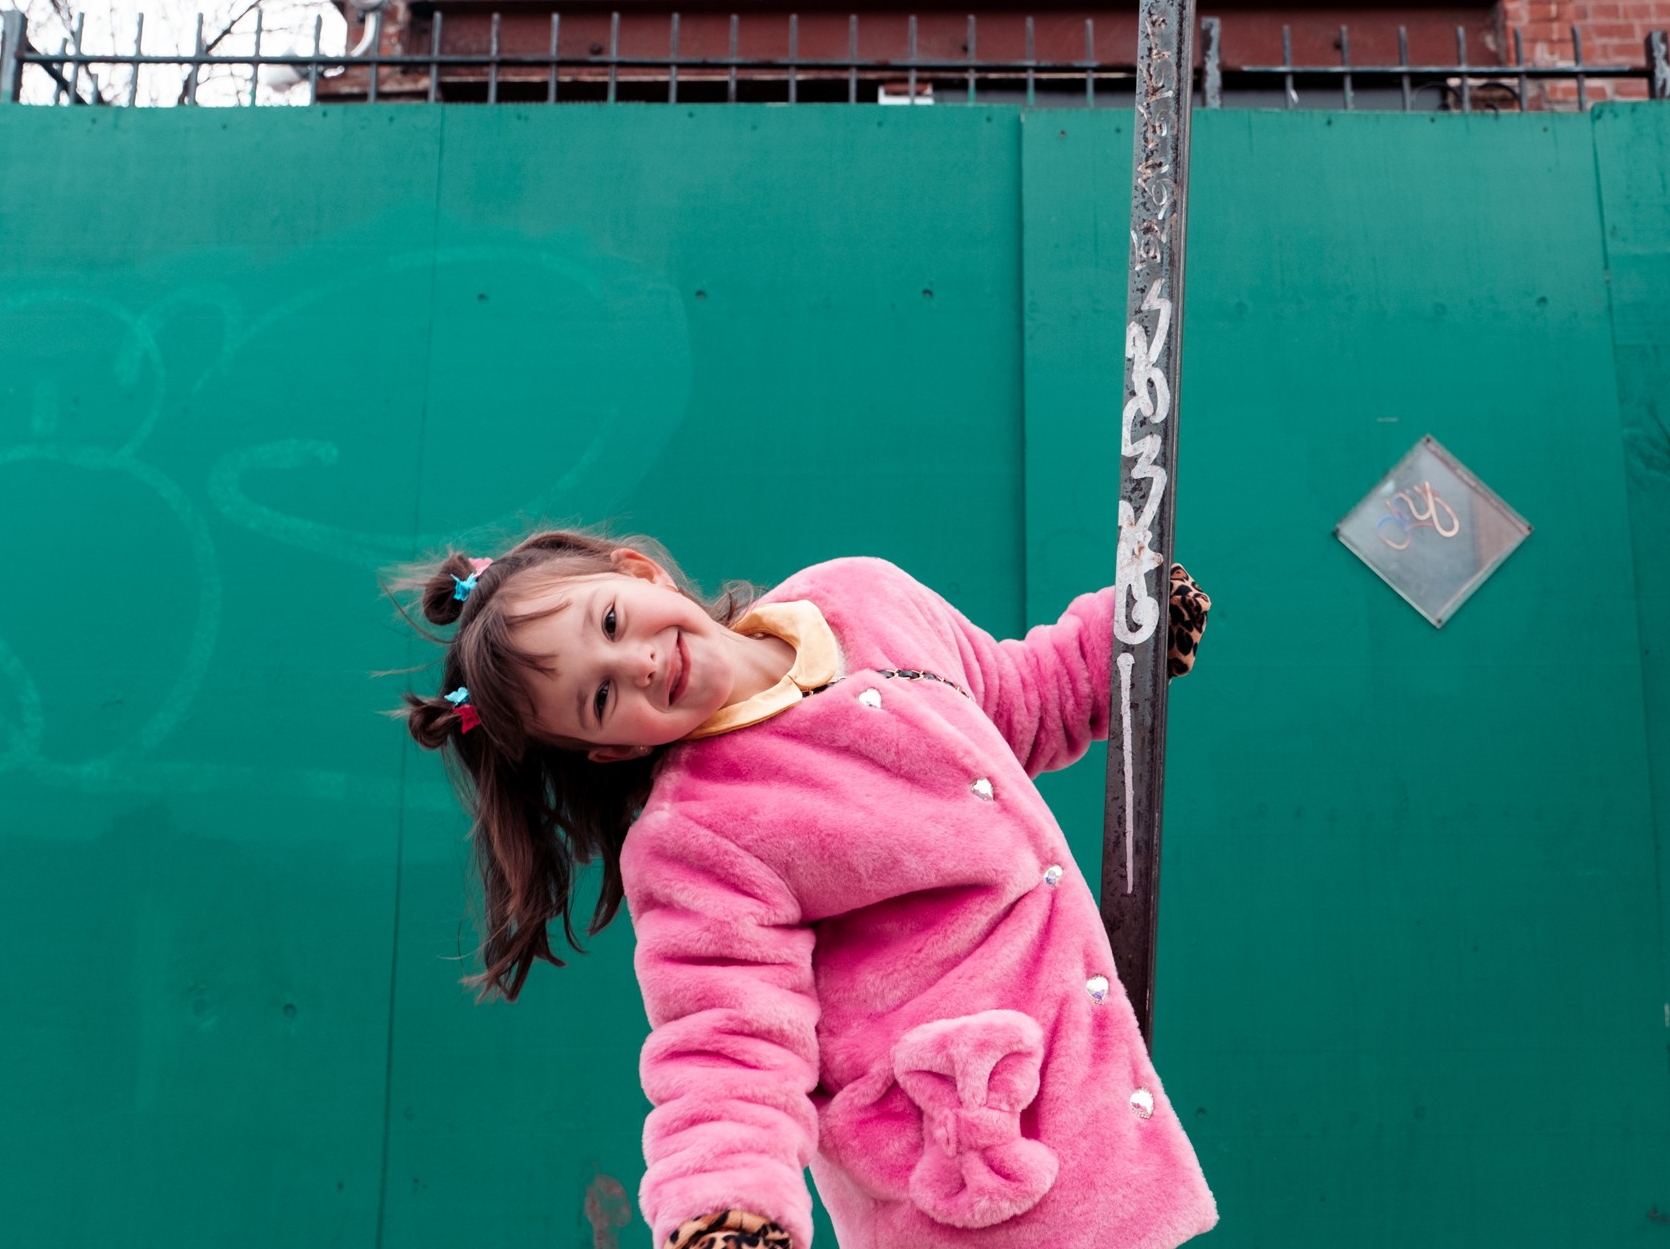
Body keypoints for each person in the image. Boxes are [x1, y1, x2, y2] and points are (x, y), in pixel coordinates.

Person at [392, 528, 1217, 1249]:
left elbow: (1012, 701)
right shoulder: (695, 839)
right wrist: (726, 1208)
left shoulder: (861, 596)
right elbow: (728, 1046)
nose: (639, 662)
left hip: (1080, 1091)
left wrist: (1117, 650)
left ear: (636, 572)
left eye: (609, 622)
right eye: (601, 697)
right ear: (606, 752)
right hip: (962, 1159)